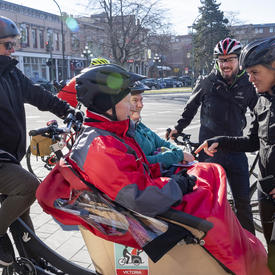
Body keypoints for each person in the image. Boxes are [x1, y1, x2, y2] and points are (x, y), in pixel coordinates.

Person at [36, 64, 271, 275]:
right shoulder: (102, 144)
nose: (133, 104)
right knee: (212, 195)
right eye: (127, 98)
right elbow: (140, 198)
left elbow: (137, 171)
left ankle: (247, 255)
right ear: (108, 104)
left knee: (209, 173)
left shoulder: (109, 132)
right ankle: (241, 264)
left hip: (149, 201)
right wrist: (180, 183)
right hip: (150, 212)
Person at [0, 16, 76, 266]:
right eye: (8, 45)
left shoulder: (11, 74)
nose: (14, 49)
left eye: (15, 43)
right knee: (29, 187)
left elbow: (38, 95)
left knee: (21, 215)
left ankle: (33, 262)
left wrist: (68, 111)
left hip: (9, 158)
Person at [195, 36, 275, 273]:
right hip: (265, 188)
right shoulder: (262, 100)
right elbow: (252, 141)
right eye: (248, 72)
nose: (249, 79)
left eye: (255, 72)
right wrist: (220, 141)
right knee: (272, 253)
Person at [167, 37, 258, 234]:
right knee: (209, 207)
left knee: (243, 206)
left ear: (239, 60)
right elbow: (190, 108)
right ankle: (214, 251)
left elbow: (260, 113)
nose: (225, 64)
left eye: (230, 59)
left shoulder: (248, 84)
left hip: (236, 151)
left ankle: (250, 252)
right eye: (221, 60)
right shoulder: (207, 82)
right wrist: (177, 128)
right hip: (209, 153)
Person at [130, 81, 194, 175]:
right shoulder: (125, 132)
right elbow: (141, 161)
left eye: (141, 100)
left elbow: (161, 142)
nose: (141, 105)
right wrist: (178, 156)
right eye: (135, 100)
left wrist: (179, 152)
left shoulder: (139, 125)